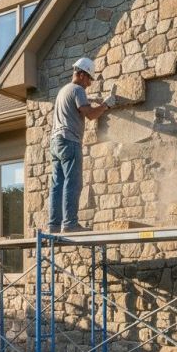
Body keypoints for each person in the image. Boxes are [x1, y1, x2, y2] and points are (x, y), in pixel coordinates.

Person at [48, 57, 114, 233]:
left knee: (57, 185)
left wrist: (91, 99)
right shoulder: (78, 90)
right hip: (70, 141)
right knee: (73, 183)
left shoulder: (64, 90)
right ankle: (70, 224)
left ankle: (54, 225)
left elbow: (75, 105)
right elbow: (90, 115)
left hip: (55, 143)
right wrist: (106, 105)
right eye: (89, 79)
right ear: (82, 74)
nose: (89, 84)